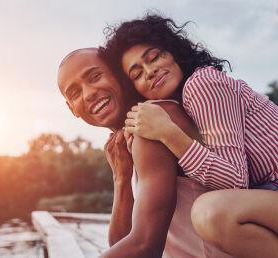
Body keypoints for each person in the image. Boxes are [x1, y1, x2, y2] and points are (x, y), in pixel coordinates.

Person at [101, 14, 278, 257]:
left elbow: (236, 183)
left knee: (211, 213)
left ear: (173, 52)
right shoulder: (177, 109)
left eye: (154, 56)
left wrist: (168, 133)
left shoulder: (202, 83)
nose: (150, 71)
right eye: (137, 74)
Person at [57, 48, 231, 257]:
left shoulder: (154, 122)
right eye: (75, 93)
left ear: (119, 73)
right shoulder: (129, 139)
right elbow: (120, 243)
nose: (89, 93)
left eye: (95, 77)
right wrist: (121, 178)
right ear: (72, 109)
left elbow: (145, 247)